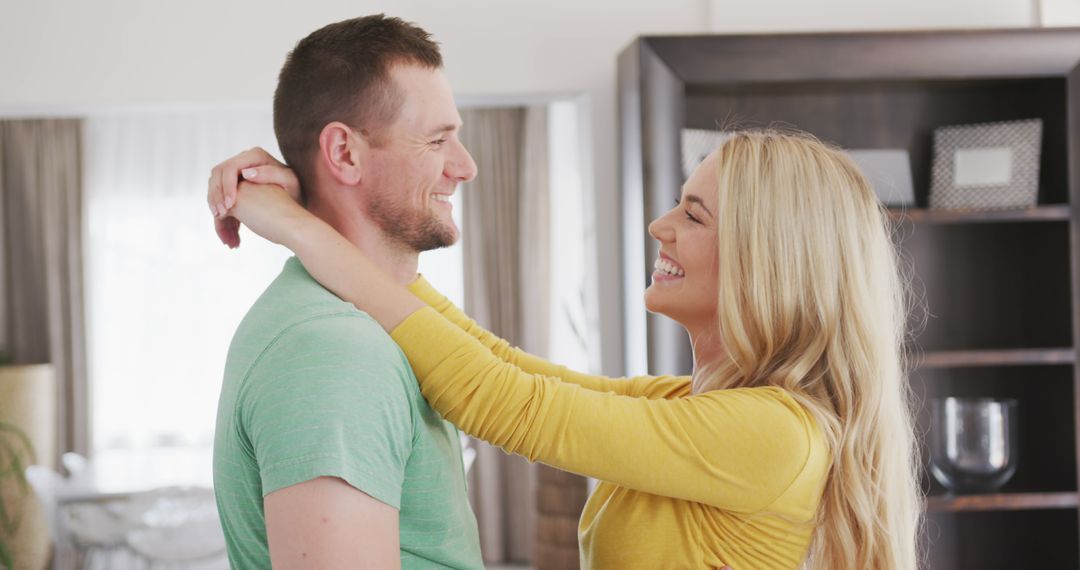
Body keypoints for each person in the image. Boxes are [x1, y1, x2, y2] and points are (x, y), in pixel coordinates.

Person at [209, 129, 922, 569]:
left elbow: (504, 402)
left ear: (766, 259)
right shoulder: (692, 406)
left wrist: (302, 231)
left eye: (693, 214)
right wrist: (339, 219)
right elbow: (505, 366)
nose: (659, 225)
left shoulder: (774, 435)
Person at [209, 14, 485, 569]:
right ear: (344, 155)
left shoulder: (363, 321)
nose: (466, 167)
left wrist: (298, 219)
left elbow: (517, 383)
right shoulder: (332, 350)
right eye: (437, 140)